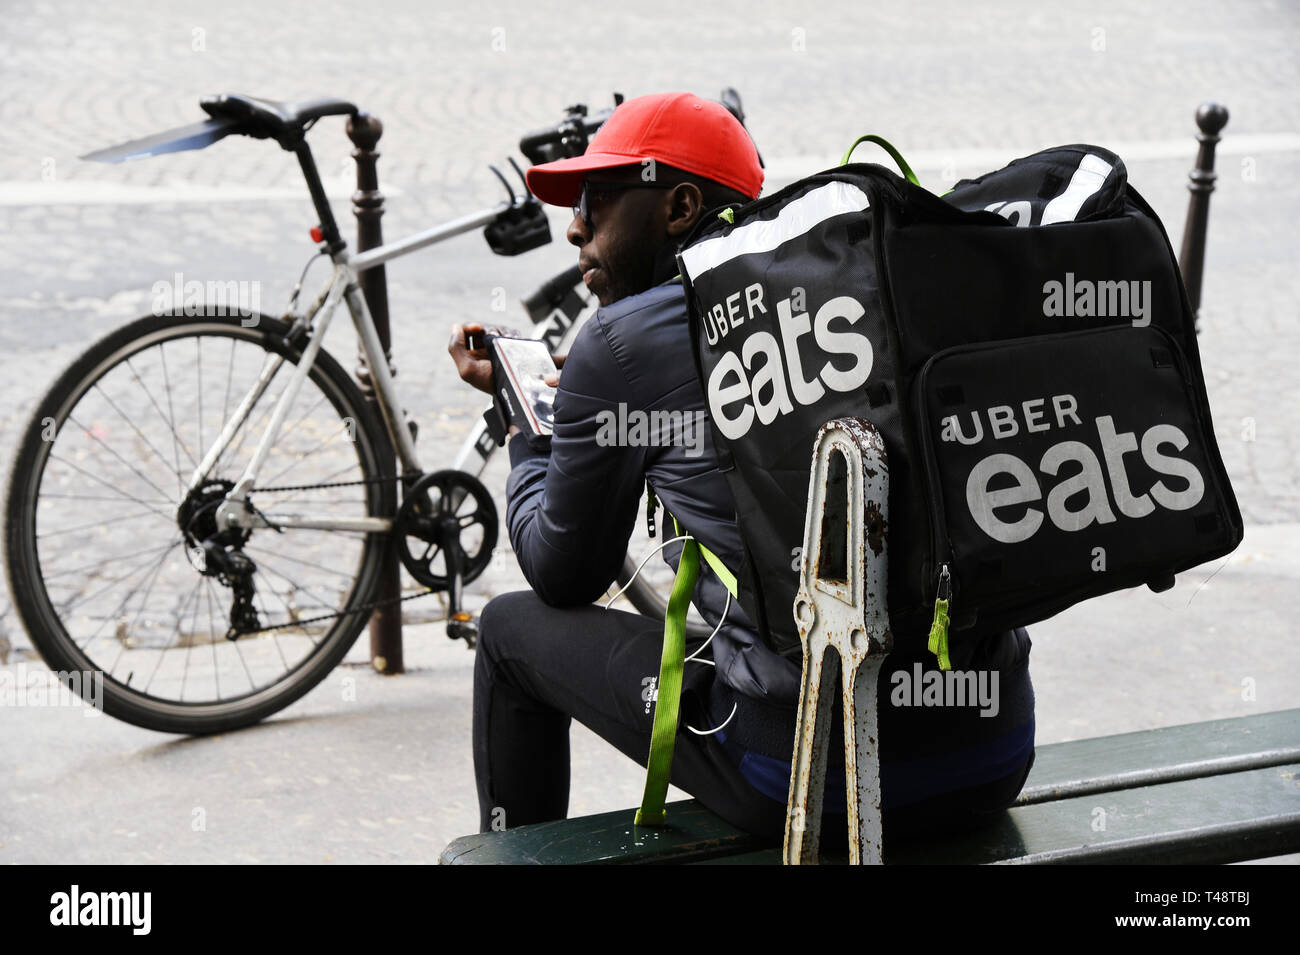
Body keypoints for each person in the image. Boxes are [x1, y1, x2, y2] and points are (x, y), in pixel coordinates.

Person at [448, 91, 1035, 844]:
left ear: (680, 206)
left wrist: (529, 417)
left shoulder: (624, 341)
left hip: (809, 778)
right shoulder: (865, 287)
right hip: (990, 748)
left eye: (596, 201)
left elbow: (561, 571)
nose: (575, 228)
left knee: (505, 629)